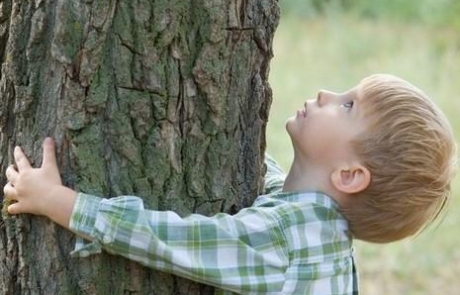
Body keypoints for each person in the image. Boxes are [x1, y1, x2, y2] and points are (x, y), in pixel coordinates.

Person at [3, 74, 457, 295]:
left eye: (347, 106)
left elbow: (169, 240)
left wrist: (59, 201)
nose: (325, 95)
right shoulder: (319, 229)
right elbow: (277, 182)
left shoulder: (289, 237)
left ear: (351, 176)